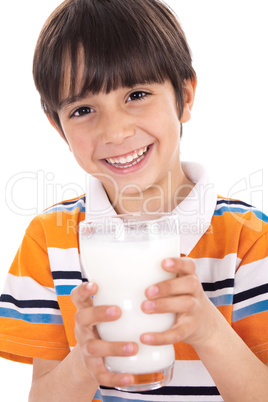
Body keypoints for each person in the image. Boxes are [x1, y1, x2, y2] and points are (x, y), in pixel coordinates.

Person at [0, 0, 268, 401]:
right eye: (83, 109)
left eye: (137, 94)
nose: (115, 131)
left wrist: (209, 330)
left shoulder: (250, 239)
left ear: (185, 95)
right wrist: (83, 364)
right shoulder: (48, 241)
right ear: (58, 127)